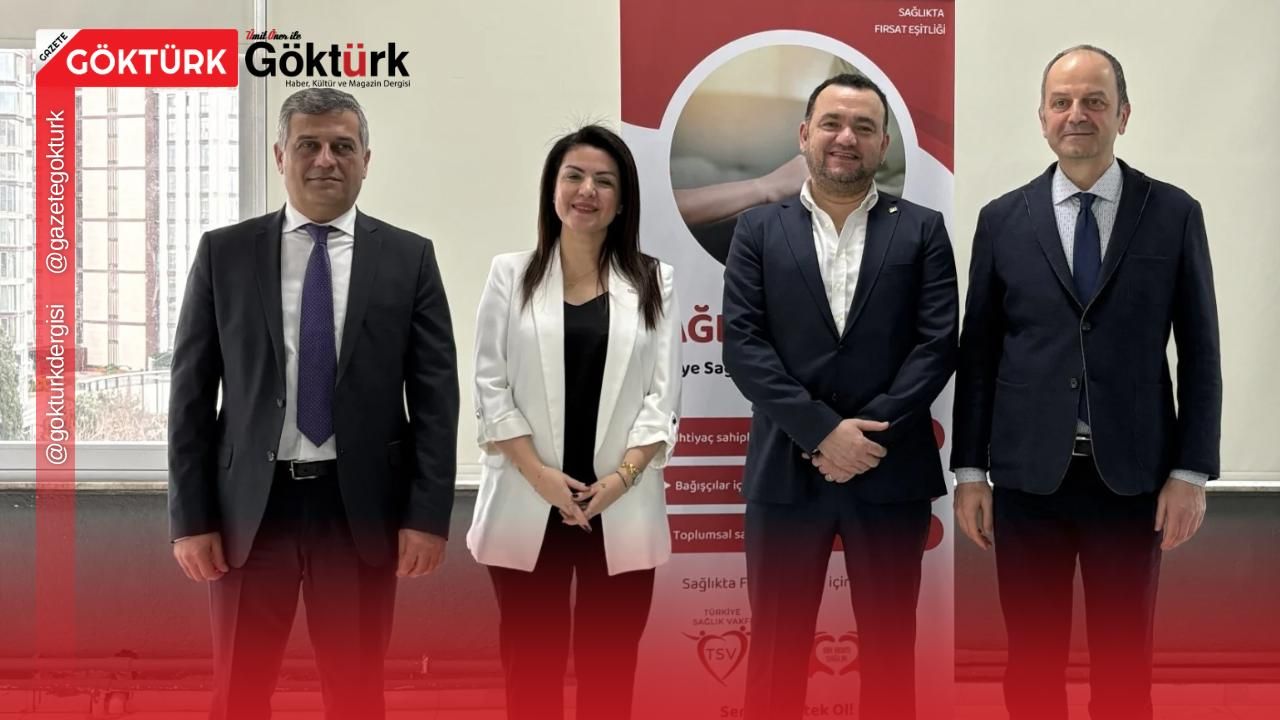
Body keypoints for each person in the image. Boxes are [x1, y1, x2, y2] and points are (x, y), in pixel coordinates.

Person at [167, 88, 459, 720]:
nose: (326, 159)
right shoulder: (224, 253)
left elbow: (436, 399)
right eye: (309, 145)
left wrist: (427, 516)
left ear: (366, 160)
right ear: (281, 156)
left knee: (356, 695)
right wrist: (190, 517)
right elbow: (190, 394)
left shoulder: (409, 258)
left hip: (359, 514)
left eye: (342, 146)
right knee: (238, 694)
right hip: (250, 513)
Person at [951, 45, 1221, 720]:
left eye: (1095, 101)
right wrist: (970, 471)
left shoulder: (1173, 213)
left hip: (1133, 482)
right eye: (1063, 102)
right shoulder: (1002, 219)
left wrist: (1191, 472)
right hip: (1027, 482)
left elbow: (1200, 351)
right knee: (1031, 664)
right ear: (1042, 117)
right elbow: (979, 353)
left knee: (1125, 667)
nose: (1078, 114)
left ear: (1123, 115)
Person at [722, 73, 958, 720]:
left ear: (884, 143)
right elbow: (744, 346)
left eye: (863, 126)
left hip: (890, 470)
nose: (845, 137)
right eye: (831, 123)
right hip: (785, 471)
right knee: (774, 656)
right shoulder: (757, 230)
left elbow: (936, 345)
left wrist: (864, 436)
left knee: (890, 653)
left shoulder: (923, 230)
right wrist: (823, 433)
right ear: (804, 134)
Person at [468, 124, 681, 720]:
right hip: (528, 499)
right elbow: (490, 386)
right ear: (552, 189)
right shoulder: (510, 274)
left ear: (622, 200)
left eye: (604, 181)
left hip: (619, 505)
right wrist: (541, 477)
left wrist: (619, 481)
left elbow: (662, 398)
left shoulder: (654, 280)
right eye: (574, 176)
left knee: (609, 676)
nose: (587, 190)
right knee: (530, 676)